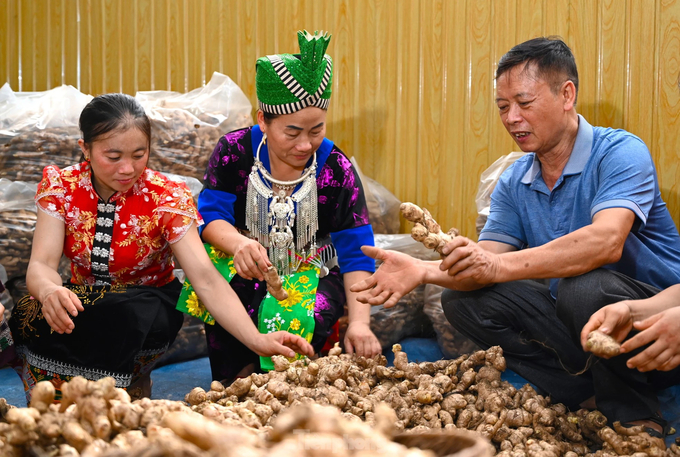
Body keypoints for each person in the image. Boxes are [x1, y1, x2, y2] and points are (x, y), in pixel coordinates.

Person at [351, 37, 680, 435]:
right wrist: (424, 271)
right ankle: (583, 392)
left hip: (656, 326)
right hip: (582, 327)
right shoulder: (515, 180)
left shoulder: (620, 152)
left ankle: (636, 412)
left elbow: (605, 242)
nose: (511, 118)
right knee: (463, 300)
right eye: (503, 107)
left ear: (566, 95)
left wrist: (495, 265)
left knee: (585, 287)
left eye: (524, 103)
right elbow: (483, 262)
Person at [6, 93, 312, 402]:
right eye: (113, 157)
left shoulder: (165, 197)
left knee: (128, 315)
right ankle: (60, 396)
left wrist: (256, 340)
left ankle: (125, 383)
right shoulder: (62, 187)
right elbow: (42, 265)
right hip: (86, 302)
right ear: (85, 148)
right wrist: (49, 292)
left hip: (145, 306)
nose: (127, 168)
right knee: (28, 311)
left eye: (139, 154)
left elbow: (204, 278)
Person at [198, 30, 381, 383]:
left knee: (297, 317)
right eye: (292, 131)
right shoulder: (235, 152)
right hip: (244, 263)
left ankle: (292, 391)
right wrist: (239, 244)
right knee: (227, 305)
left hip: (313, 270)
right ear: (263, 120)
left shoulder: (335, 168)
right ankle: (237, 387)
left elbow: (357, 251)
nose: (305, 144)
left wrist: (359, 323)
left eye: (316, 130)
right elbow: (210, 216)